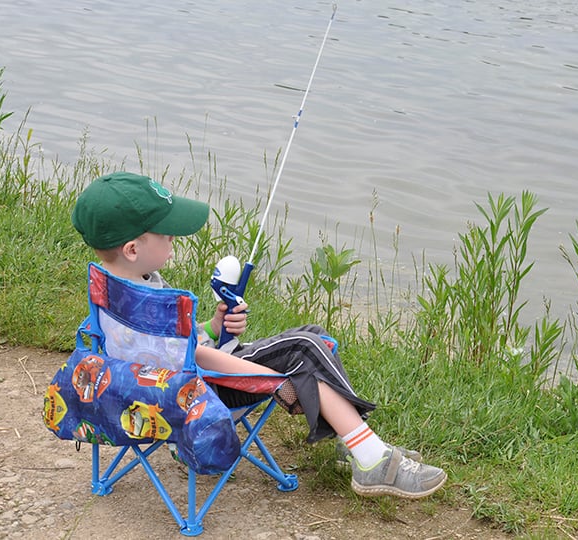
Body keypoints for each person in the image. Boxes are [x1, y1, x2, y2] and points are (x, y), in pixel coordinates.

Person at [70, 171, 446, 499]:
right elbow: (198, 359)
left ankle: (362, 444)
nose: (173, 241)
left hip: (146, 392)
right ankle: (372, 460)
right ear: (133, 248)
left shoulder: (113, 290)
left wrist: (214, 329)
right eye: (167, 236)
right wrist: (268, 380)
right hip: (198, 396)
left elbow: (169, 347)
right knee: (306, 350)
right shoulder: (154, 301)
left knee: (309, 341)